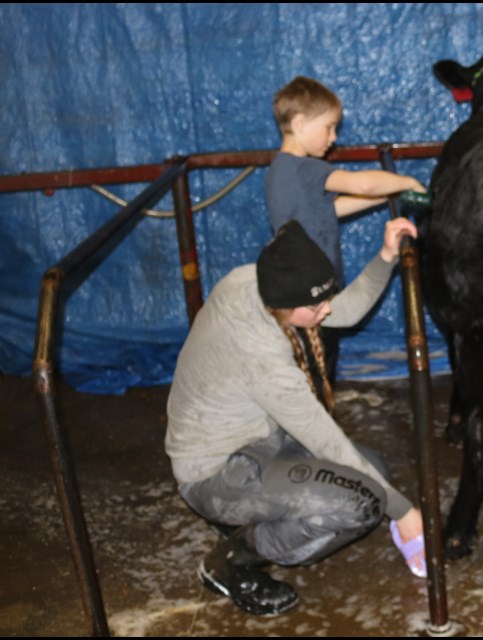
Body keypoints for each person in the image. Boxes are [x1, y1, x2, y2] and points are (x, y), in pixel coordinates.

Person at [165, 218, 425, 616]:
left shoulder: (253, 281)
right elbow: (324, 439)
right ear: (286, 305)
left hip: (261, 441)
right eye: (316, 306)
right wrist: (405, 513)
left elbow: (344, 311)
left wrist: (386, 256)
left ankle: (249, 521)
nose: (326, 311)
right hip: (213, 472)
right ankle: (233, 562)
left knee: (374, 472)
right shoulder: (261, 357)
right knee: (364, 505)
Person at [265, 75, 427, 384]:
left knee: (308, 369)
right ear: (299, 123)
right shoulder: (306, 168)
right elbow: (361, 183)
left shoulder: (279, 171)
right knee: (319, 370)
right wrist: (408, 182)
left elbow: (331, 209)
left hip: (296, 290)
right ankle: (317, 425)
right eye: (328, 127)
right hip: (310, 292)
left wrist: (388, 195)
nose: (334, 137)